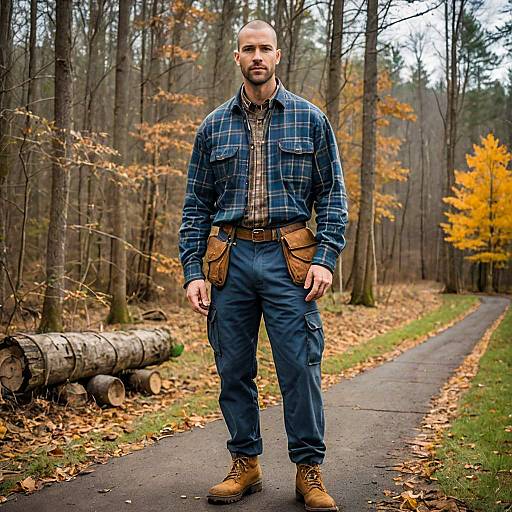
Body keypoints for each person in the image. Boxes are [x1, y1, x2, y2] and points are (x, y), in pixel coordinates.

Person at [178, 19, 348, 512]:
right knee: (233, 367)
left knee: (299, 367)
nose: (257, 56)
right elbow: (195, 206)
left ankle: (308, 471)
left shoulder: (310, 119)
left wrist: (326, 257)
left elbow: (333, 196)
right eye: (248, 48)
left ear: (278, 55)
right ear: (237, 57)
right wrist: (193, 269)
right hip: (228, 260)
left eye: (265, 48)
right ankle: (245, 464)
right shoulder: (213, 126)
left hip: (289, 260)